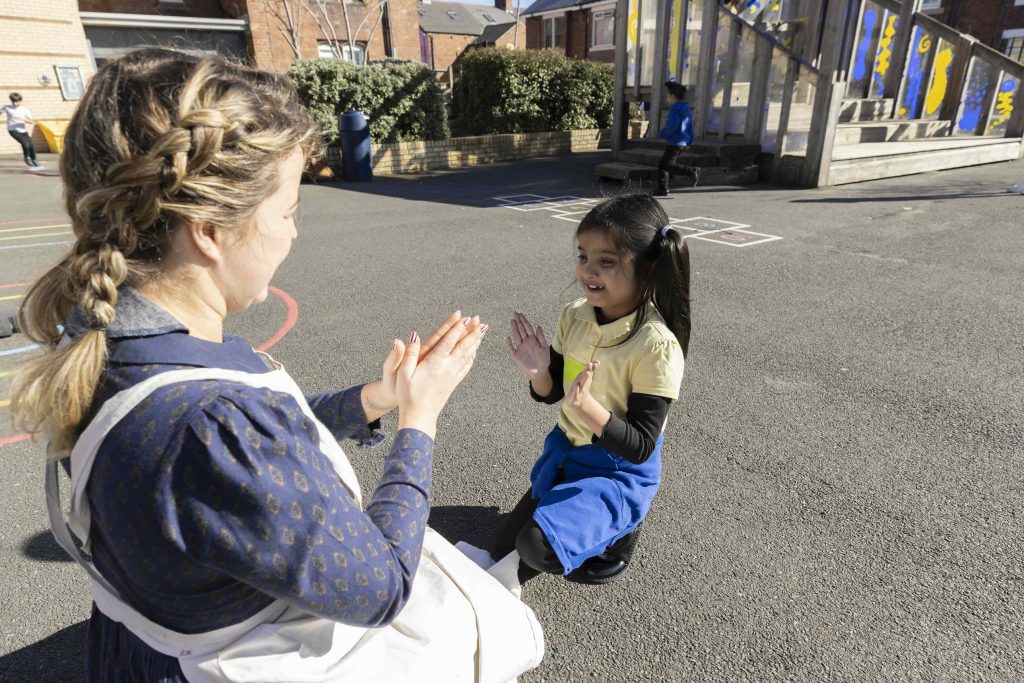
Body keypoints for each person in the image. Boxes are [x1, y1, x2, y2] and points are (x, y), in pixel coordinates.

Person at [12, 48, 543, 682]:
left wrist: (376, 397)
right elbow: (381, 586)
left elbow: (266, 441)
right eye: (287, 212)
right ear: (210, 229)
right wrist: (420, 418)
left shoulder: (102, 336)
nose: (293, 234)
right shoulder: (206, 425)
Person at [494, 194, 689, 584]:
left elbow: (641, 446)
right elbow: (550, 392)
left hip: (618, 470)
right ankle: (582, 512)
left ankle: (623, 528)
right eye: (582, 256)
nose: (588, 271)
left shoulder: (657, 345)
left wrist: (587, 410)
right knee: (503, 546)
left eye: (607, 261)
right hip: (568, 453)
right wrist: (537, 371)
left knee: (537, 548)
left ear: (648, 267)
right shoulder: (574, 315)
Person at [654, 81, 699, 197]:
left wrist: (663, 134)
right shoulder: (685, 109)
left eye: (668, 96)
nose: (667, 99)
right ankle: (663, 188)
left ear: (673, 96)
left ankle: (691, 171)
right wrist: (689, 140)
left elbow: (673, 125)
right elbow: (690, 126)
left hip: (675, 141)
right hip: (682, 141)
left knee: (667, 164)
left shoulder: (675, 109)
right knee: (664, 164)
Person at [3, 92, 42, 171]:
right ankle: (27, 158)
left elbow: (31, 119)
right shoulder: (7, 107)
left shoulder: (24, 109)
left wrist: (29, 121)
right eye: (13, 101)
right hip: (13, 130)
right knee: (25, 143)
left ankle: (34, 159)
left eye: (17, 101)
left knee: (31, 145)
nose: (15, 103)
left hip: (23, 131)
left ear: (20, 101)